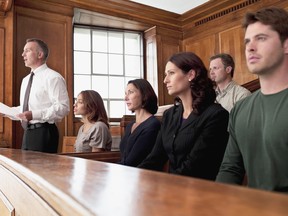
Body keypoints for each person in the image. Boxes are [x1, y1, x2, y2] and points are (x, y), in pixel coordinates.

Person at [216, 7, 288, 193]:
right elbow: (230, 170)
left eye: (261, 38)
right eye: (247, 41)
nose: (250, 47)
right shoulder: (240, 108)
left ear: (286, 44)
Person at [138, 52, 229, 180]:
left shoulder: (216, 115)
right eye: (166, 74)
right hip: (174, 188)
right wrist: (134, 177)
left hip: (202, 192)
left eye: (171, 73)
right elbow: (155, 158)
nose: (165, 80)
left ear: (191, 75)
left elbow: (193, 167)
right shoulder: (169, 115)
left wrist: (164, 187)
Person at [15, 38, 69, 153]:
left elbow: (63, 107)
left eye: (27, 50)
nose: (22, 54)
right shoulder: (25, 80)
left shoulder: (53, 77)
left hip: (44, 132)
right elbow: (27, 108)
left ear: (40, 54)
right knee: (25, 170)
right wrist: (8, 112)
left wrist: (34, 115)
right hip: (28, 132)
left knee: (41, 170)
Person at [118, 79, 161, 167]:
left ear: (144, 94)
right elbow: (124, 158)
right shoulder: (130, 125)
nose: (126, 98)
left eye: (130, 92)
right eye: (125, 94)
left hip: (143, 175)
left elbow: (133, 161)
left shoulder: (153, 125)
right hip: (126, 171)